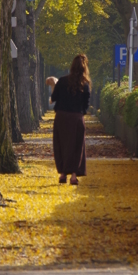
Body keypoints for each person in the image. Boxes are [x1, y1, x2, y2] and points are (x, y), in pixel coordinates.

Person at [51, 54, 91, 185]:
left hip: (61, 117)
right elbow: (86, 105)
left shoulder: (62, 81)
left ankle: (63, 174)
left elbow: (54, 98)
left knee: (62, 145)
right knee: (76, 146)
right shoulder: (85, 85)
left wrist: (54, 85)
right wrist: (80, 114)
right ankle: (74, 176)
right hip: (76, 118)